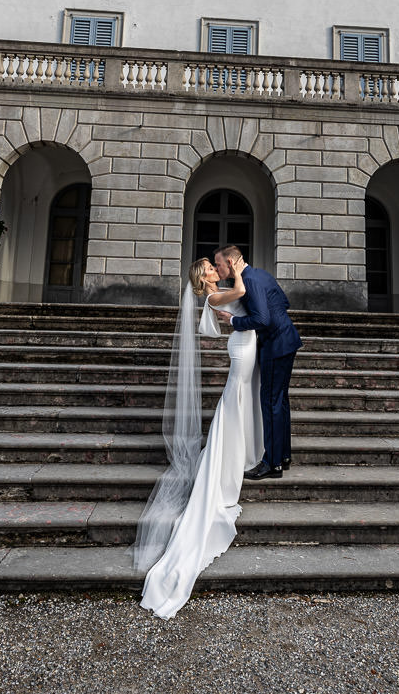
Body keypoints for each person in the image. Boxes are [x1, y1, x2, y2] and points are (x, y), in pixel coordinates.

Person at [134, 256, 263, 619]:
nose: (212, 269)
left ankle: (238, 453)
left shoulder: (217, 293)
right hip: (241, 349)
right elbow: (240, 290)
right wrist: (239, 268)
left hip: (248, 344)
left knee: (239, 402)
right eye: (208, 267)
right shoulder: (213, 296)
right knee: (233, 402)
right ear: (202, 277)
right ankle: (225, 462)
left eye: (213, 265)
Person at [213, 244, 302, 481]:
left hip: (275, 346)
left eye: (218, 264)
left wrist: (233, 320)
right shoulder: (260, 273)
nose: (216, 268)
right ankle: (282, 456)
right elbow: (283, 302)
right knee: (281, 401)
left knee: (271, 402)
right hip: (287, 340)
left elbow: (262, 319)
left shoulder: (249, 281)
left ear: (230, 263)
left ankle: (271, 463)